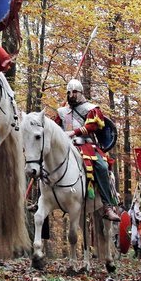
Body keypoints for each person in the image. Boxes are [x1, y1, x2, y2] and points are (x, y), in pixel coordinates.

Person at [53, 78, 120, 221]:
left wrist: (73, 132)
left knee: (102, 167)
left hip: (87, 145)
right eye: (69, 92)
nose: (71, 95)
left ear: (81, 93)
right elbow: (55, 127)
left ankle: (107, 206)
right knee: (45, 162)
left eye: (74, 92)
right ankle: (41, 201)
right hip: (66, 145)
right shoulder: (62, 111)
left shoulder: (91, 109)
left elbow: (93, 127)